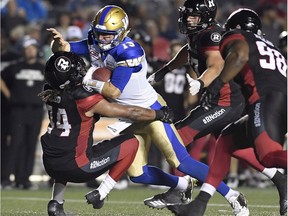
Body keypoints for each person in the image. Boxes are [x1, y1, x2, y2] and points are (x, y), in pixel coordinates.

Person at [47, 5, 249, 215]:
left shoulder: (128, 51)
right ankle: (181, 185)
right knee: (137, 174)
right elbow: (66, 52)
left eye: (107, 35)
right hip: (131, 116)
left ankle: (233, 195)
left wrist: (89, 79)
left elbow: (115, 92)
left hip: (152, 111)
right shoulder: (95, 40)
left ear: (121, 33)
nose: (101, 39)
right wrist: (60, 45)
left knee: (182, 161)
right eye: (99, 34)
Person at [145, 0, 286, 214]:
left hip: (228, 101)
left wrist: (205, 83)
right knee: (231, 146)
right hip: (243, 99)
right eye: (188, 15)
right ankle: (268, 184)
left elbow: (218, 64)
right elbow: (190, 51)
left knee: (177, 137)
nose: (188, 19)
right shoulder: (201, 36)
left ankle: (181, 188)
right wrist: (164, 70)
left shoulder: (217, 36)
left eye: (194, 16)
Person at [39, 51, 174, 216]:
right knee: (131, 143)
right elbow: (129, 112)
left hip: (51, 164)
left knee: (66, 149)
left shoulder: (49, 90)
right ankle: (101, 193)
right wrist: (159, 114)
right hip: (77, 167)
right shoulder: (83, 99)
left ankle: (56, 204)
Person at [0, 35, 45, 189]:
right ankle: (6, 179)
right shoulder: (15, 67)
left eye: (33, 48)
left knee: (30, 145)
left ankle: (24, 179)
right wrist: (9, 95)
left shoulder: (43, 68)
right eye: (27, 48)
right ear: (23, 51)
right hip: (17, 110)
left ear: (37, 50)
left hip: (36, 111)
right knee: (15, 144)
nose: (30, 51)